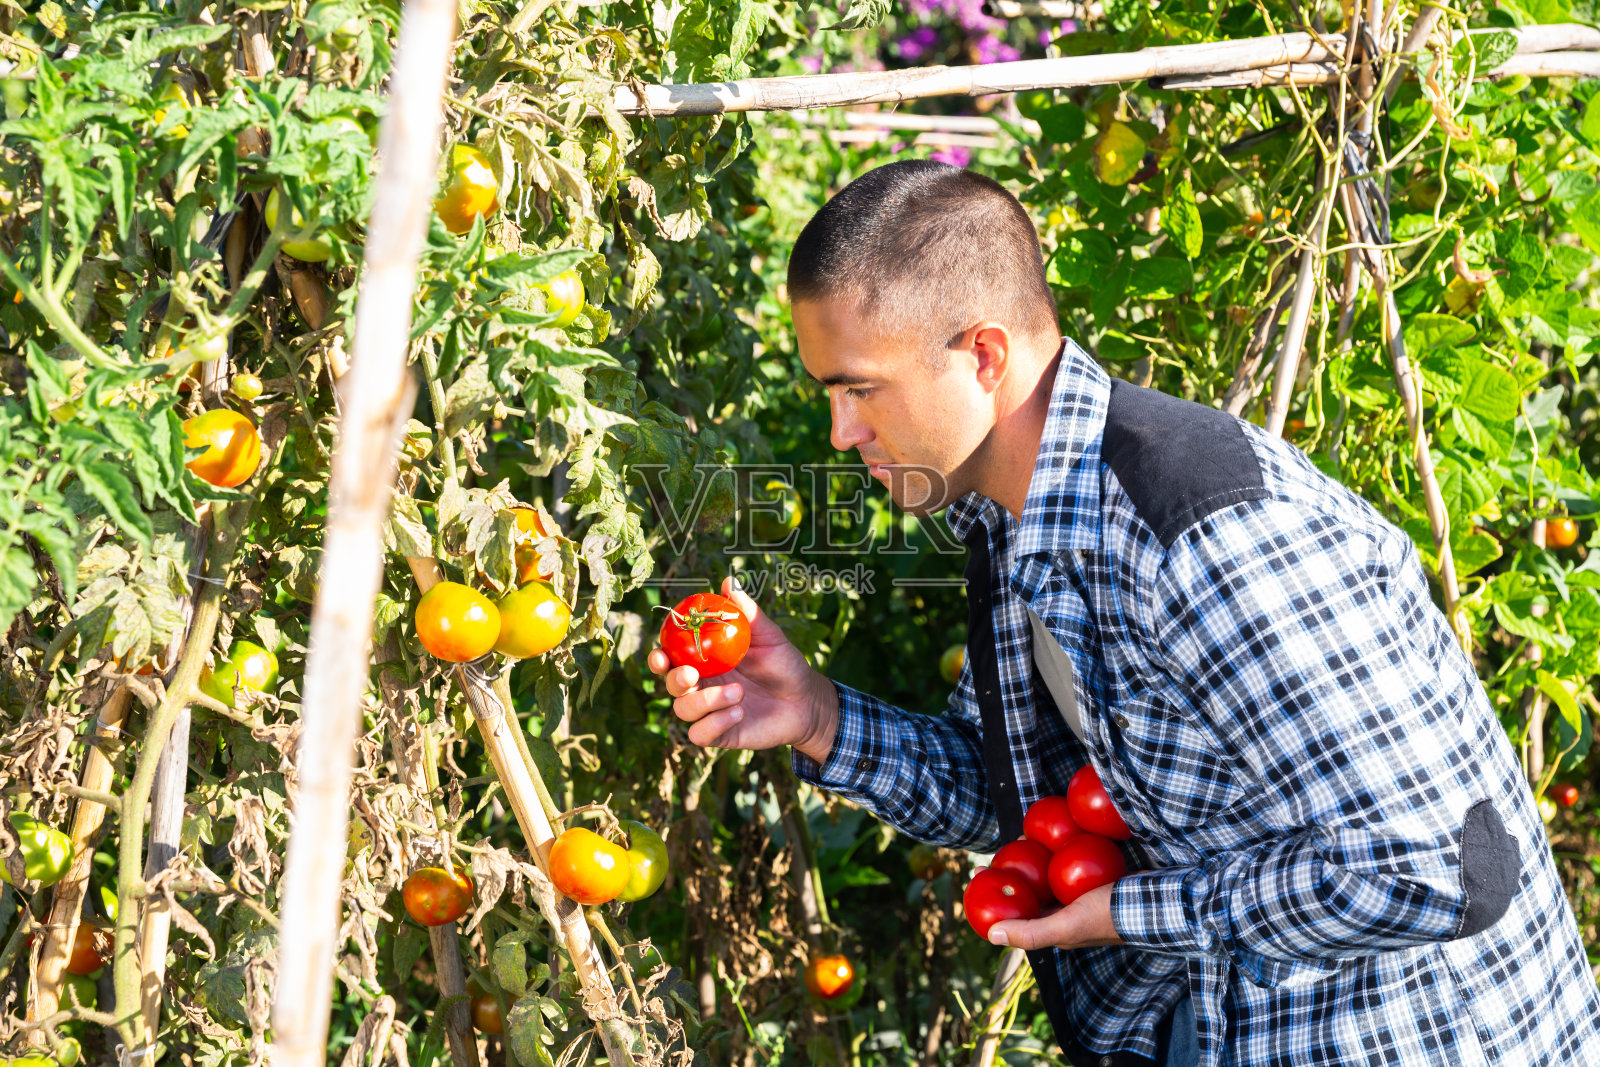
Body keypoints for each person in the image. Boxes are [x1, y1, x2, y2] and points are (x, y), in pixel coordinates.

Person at [646, 159, 1600, 1066]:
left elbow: (1437, 868)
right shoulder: (1025, 519)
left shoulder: (1205, 535)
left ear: (984, 355)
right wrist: (816, 716)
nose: (842, 432)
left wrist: (1132, 910)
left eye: (859, 389)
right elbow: (1005, 794)